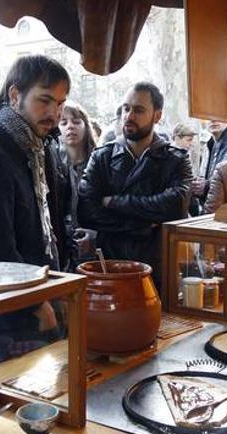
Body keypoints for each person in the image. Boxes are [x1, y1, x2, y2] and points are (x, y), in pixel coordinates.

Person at [0, 54, 72, 361]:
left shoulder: (38, 148)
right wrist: (35, 303)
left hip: (44, 294)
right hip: (10, 316)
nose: (54, 113)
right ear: (14, 95)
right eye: (45, 100)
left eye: (61, 104)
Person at [78, 82, 192, 288]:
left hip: (158, 271)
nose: (129, 116)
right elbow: (87, 210)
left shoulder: (175, 159)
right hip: (109, 268)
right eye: (126, 108)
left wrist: (113, 202)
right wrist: (143, 227)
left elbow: (176, 206)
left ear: (157, 116)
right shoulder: (102, 157)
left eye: (138, 110)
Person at [57, 100, 97, 266]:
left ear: (86, 125)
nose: (70, 127)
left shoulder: (99, 162)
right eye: (63, 122)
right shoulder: (51, 165)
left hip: (94, 246)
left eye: (76, 121)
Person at [190, 119, 227, 215]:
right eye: (208, 116)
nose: (213, 120)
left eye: (218, 115)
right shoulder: (210, 144)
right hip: (215, 210)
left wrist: (206, 186)